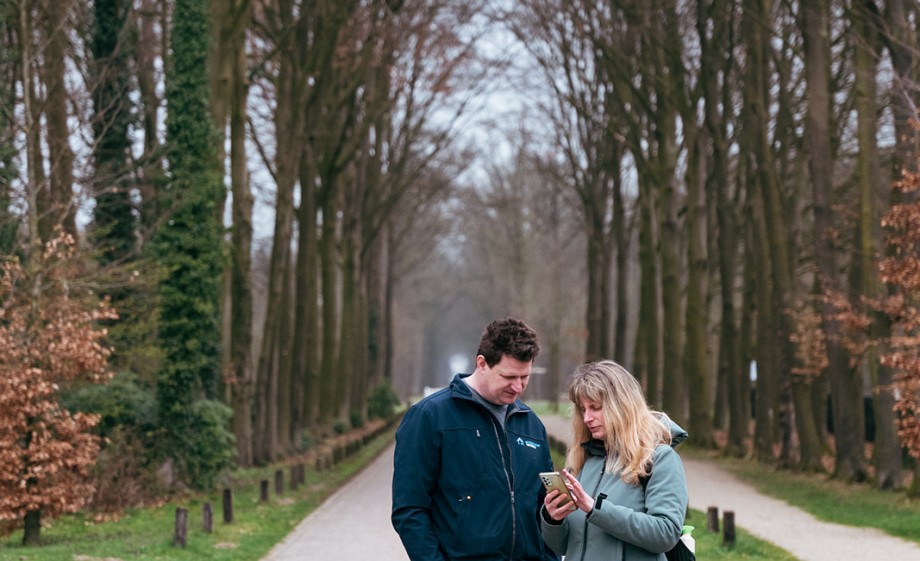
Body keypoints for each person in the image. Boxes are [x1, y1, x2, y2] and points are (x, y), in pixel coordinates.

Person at [391, 317, 559, 561]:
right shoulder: (429, 417)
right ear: (482, 363)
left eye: (525, 377)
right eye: (508, 377)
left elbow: (543, 507)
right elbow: (409, 510)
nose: (518, 387)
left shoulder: (531, 424)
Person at [541, 360, 689, 561]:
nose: (587, 418)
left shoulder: (660, 459)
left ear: (622, 406)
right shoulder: (584, 460)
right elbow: (564, 547)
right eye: (583, 409)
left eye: (595, 407)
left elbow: (666, 534)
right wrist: (554, 520)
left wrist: (596, 509)